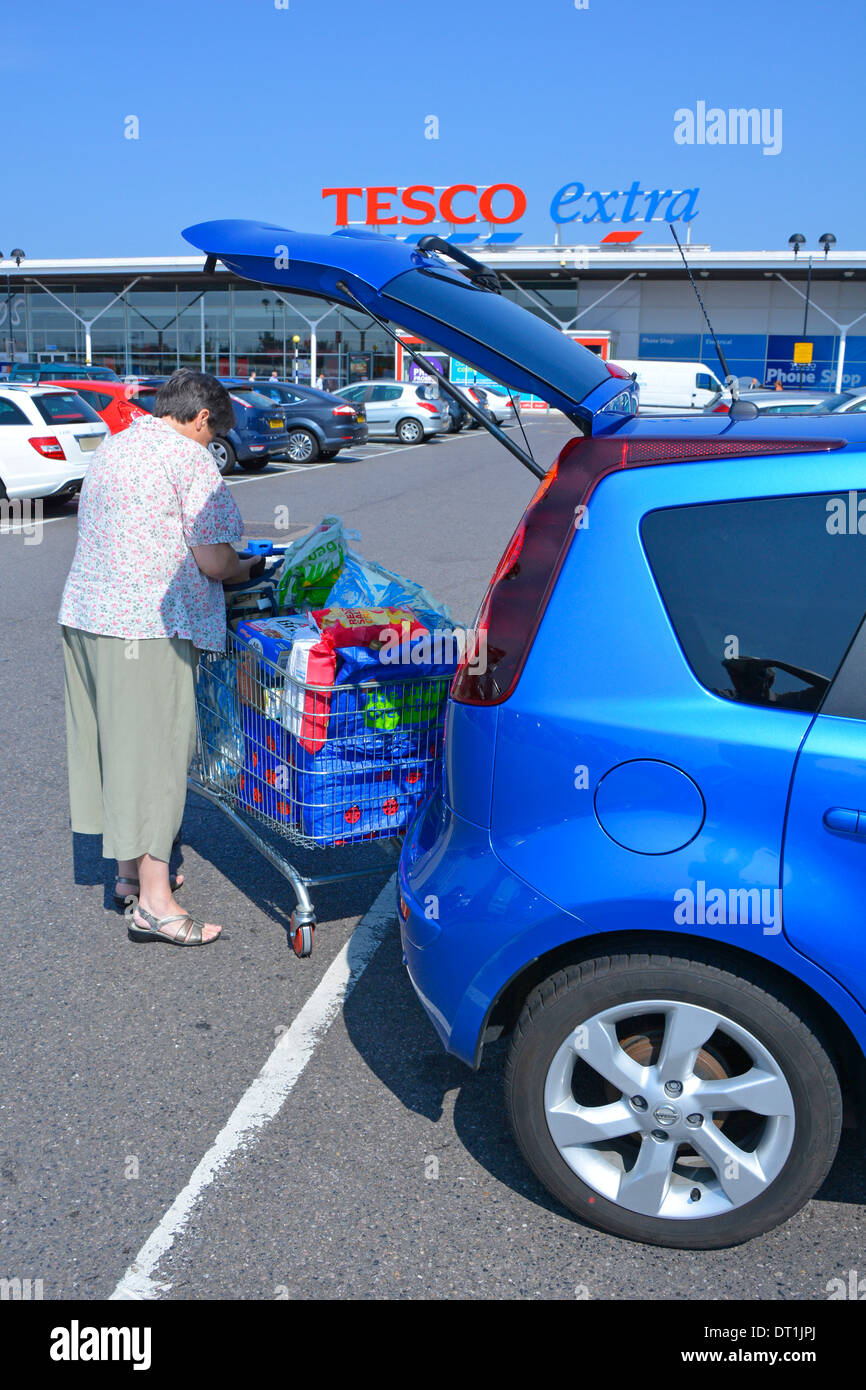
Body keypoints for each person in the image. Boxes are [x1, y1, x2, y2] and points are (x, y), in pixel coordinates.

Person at [58, 370, 262, 947]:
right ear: (200, 420)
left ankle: (128, 876)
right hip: (147, 626)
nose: (211, 442)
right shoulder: (191, 460)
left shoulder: (116, 445)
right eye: (212, 432)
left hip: (87, 615)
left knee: (115, 750)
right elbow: (214, 561)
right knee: (153, 757)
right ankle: (155, 904)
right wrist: (246, 567)